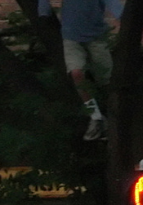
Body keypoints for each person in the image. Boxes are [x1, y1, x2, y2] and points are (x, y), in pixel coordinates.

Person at [38, 0, 122, 140]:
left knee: (108, 80)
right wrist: (43, 11)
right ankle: (95, 117)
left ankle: (113, 117)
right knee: (76, 73)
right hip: (71, 37)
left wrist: (122, 16)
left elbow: (114, 5)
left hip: (96, 36)